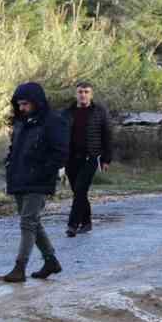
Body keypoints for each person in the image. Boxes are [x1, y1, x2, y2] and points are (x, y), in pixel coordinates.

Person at [1, 82, 69, 283]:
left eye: (25, 104)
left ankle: (19, 267)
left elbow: (61, 153)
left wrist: (44, 171)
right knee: (32, 221)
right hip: (19, 178)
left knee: (27, 222)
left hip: (39, 181)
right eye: (19, 104)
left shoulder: (54, 121)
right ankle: (50, 261)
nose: (21, 108)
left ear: (36, 102)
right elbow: (15, 149)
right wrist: (9, 164)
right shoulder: (21, 122)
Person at [64, 81, 113, 237]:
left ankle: (72, 225)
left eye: (86, 92)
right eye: (80, 92)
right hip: (71, 158)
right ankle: (86, 222)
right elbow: (60, 136)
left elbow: (107, 135)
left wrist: (106, 159)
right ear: (76, 94)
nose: (83, 95)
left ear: (91, 94)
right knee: (78, 192)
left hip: (90, 157)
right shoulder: (67, 112)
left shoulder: (99, 112)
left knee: (80, 189)